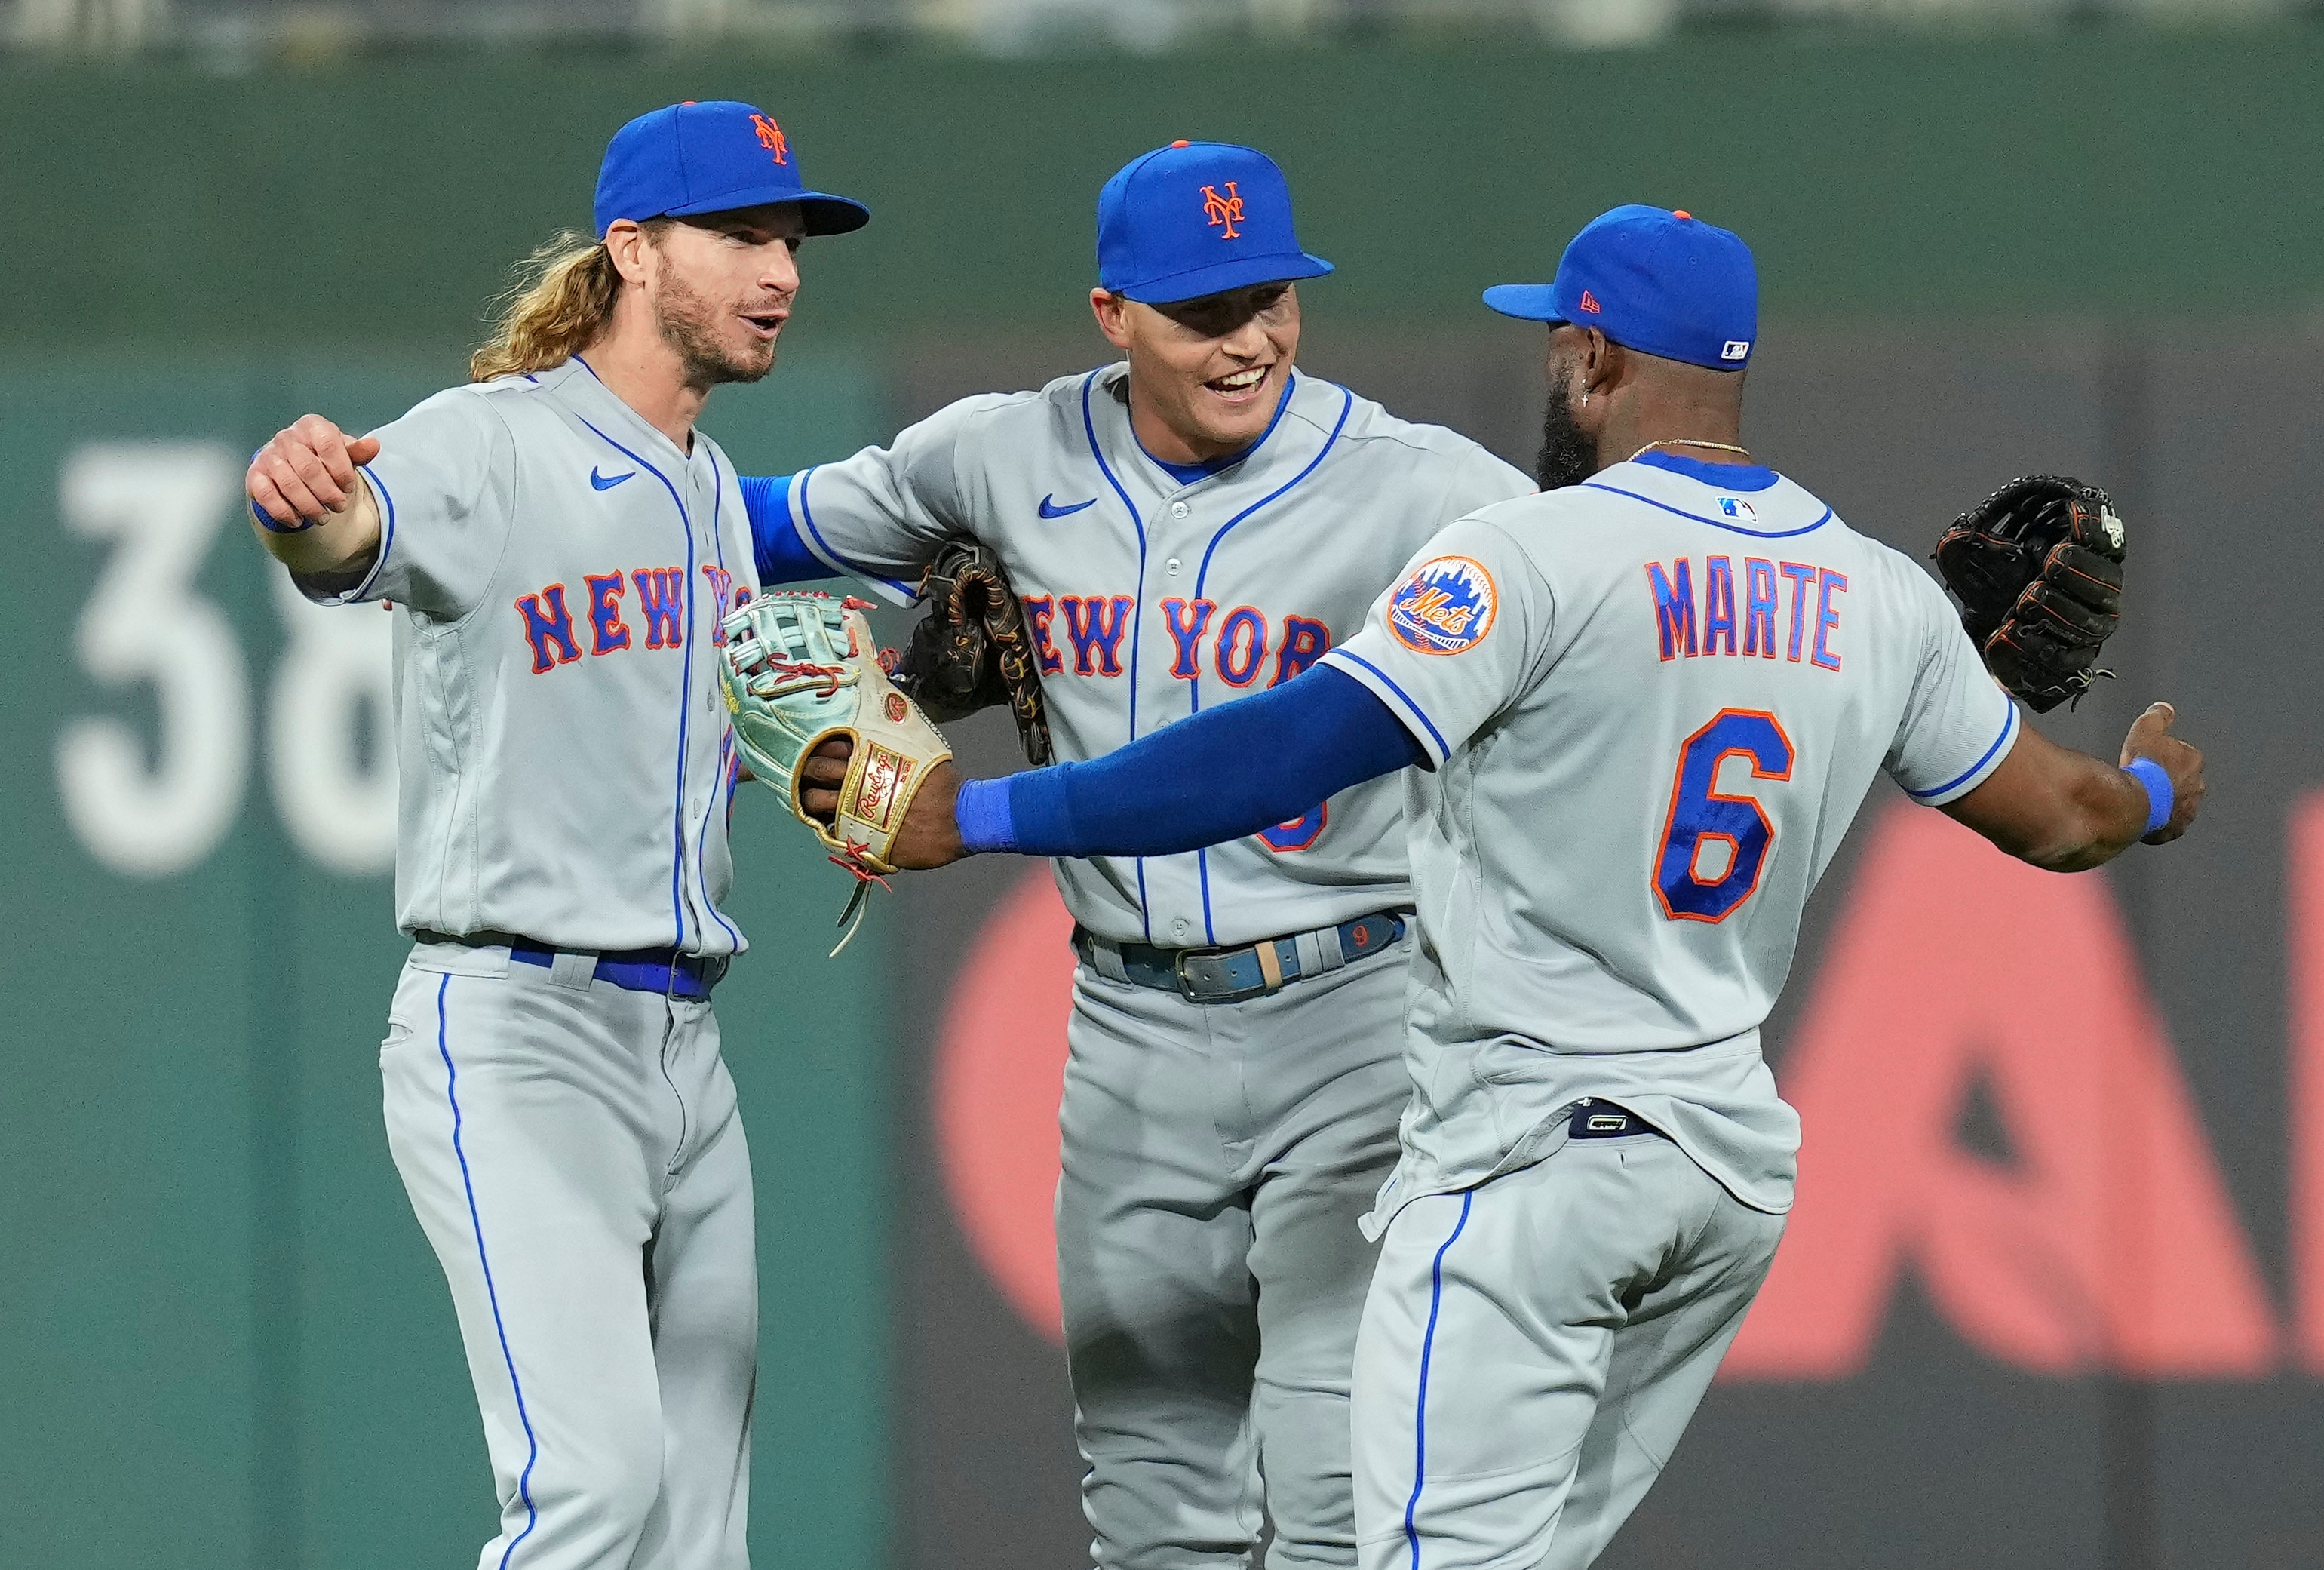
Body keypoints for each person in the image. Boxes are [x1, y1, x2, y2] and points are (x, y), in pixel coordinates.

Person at [823, 204, 2206, 1569]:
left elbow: (1283, 747)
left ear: (1594, 361)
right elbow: (2062, 821)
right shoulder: (1873, 595)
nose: (1551, 368)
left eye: (1558, 342)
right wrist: (2150, 792)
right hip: (1721, 1179)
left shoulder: (1529, 555)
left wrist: (989, 808)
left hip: (1530, 1162)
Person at [743, 140, 1532, 1568]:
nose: (1250, 340)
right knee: (1151, 1502)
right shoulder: (999, 452)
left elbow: (1631, 604)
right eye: (1204, 311)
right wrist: (446, 487)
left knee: (1332, 1493)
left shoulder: (1424, 488)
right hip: (1125, 1029)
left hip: (1356, 1016)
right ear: (1113, 314)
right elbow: (736, 525)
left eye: (1270, 299)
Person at [241, 100, 867, 1570]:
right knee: (591, 1492)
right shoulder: (494, 441)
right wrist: (301, 508)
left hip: (684, 1049)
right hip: (518, 1030)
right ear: (635, 249)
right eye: (741, 234)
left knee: (697, 1533)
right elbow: (345, 542)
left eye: (790, 237)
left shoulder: (714, 488)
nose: (779, 268)